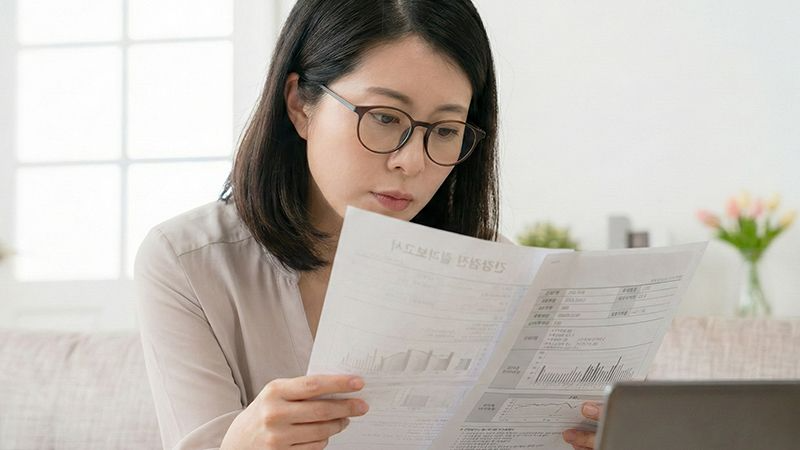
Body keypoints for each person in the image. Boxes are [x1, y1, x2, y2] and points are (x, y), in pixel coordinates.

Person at [134, 0, 601, 449]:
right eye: (382, 117)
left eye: (444, 131)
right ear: (299, 104)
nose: (411, 161)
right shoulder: (187, 262)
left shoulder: (497, 267)